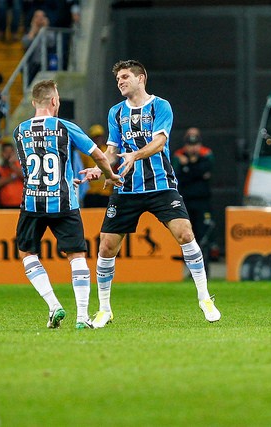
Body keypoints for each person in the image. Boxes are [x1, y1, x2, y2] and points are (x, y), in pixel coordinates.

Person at [79, 60, 221, 327]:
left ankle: (204, 297)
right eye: (117, 79)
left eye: (124, 77)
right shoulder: (116, 112)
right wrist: (100, 169)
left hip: (161, 185)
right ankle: (104, 309)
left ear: (140, 78)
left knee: (186, 233)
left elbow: (159, 142)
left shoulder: (160, 106)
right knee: (107, 246)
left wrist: (136, 154)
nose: (120, 82)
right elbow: (112, 150)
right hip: (126, 187)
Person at [14, 79, 122, 329]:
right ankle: (82, 316)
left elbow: (31, 167)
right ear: (54, 101)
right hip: (65, 201)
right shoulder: (65, 127)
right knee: (77, 256)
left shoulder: (19, 131)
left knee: (27, 253)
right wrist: (109, 175)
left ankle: (54, 305)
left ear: (33, 103)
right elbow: (97, 154)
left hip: (32, 202)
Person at [172, 127, 215, 269]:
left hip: (202, 202)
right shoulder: (178, 155)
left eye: (195, 144)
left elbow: (205, 171)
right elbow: (179, 177)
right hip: (186, 202)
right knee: (188, 237)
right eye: (190, 145)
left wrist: (189, 166)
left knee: (203, 236)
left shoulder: (207, 154)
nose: (193, 148)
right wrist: (196, 171)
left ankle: (205, 269)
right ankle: (191, 269)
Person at [81, 124, 112, 208]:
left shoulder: (108, 150)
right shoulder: (84, 153)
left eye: (99, 136)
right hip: (91, 192)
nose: (98, 139)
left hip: (106, 192)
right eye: (95, 137)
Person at [0, 141, 23, 209]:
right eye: (6, 152)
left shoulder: (21, 167)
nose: (9, 154)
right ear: (1, 154)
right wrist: (13, 176)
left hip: (22, 206)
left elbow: (27, 178)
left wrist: (13, 166)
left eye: (11, 152)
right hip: (5, 206)